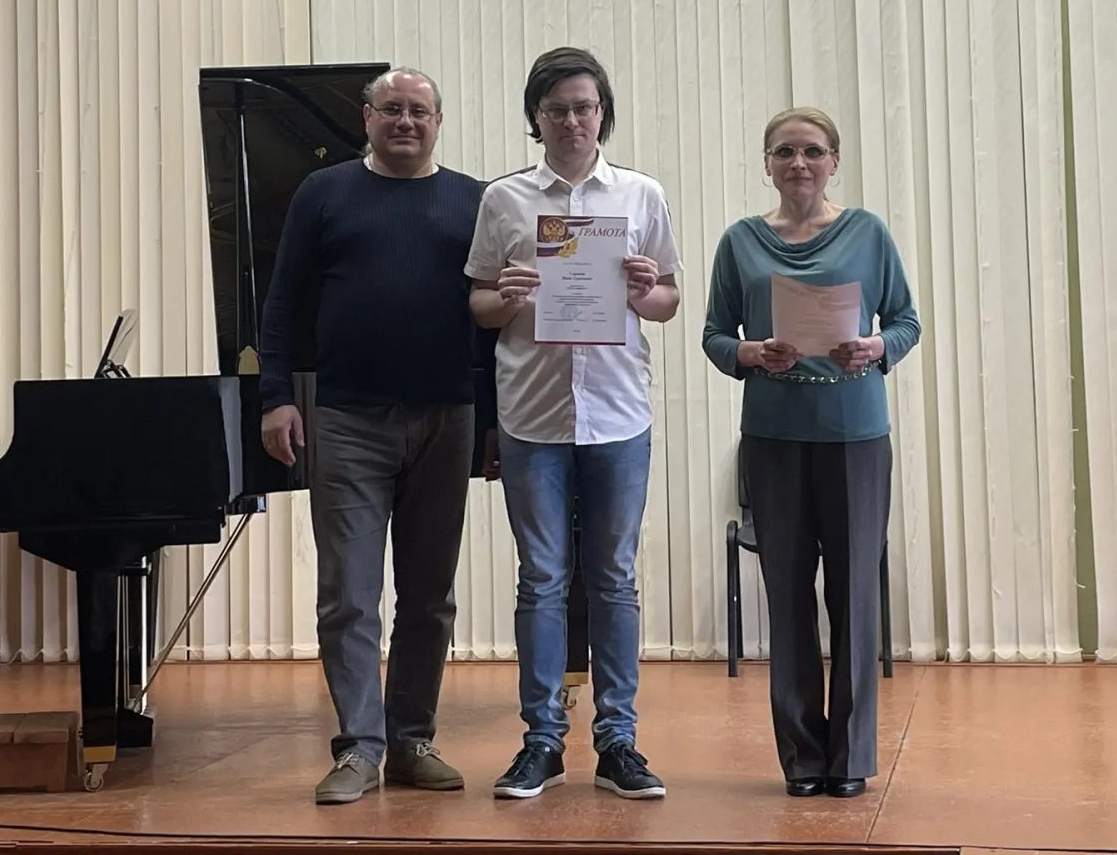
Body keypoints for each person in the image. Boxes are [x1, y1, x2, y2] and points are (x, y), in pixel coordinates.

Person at [258, 67, 485, 806]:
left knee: (429, 595)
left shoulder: (474, 199)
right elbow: (283, 302)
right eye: (392, 108)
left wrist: (494, 422)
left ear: (439, 121)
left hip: (448, 418)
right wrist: (275, 398)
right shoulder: (323, 194)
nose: (406, 121)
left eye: (420, 110)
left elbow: (492, 321)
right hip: (347, 419)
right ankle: (360, 746)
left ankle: (412, 739)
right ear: (366, 117)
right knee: (348, 594)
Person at [465, 46, 682, 801]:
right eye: (556, 109)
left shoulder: (641, 194)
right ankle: (542, 742)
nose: (571, 120)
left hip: (618, 413)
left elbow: (668, 301)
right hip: (532, 415)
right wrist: (507, 297)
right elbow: (478, 305)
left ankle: (618, 741)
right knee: (542, 579)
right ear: (537, 117)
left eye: (584, 107)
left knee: (614, 577)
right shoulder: (504, 200)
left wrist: (646, 290)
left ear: (602, 113)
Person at [701, 106, 920, 800]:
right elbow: (714, 334)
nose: (799, 163)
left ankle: (850, 757)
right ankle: (801, 757)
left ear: (834, 162)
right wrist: (750, 352)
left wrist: (878, 347)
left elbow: (906, 321)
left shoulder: (869, 233)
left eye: (813, 151)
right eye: (785, 152)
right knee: (788, 595)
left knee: (854, 592)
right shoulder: (740, 242)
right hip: (773, 437)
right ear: (767, 163)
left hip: (856, 436)